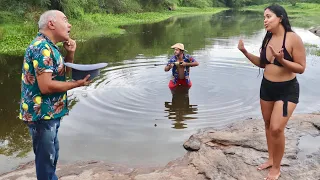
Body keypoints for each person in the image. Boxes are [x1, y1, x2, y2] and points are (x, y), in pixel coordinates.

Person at [19, 10, 91, 180]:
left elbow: (61, 75)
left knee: (51, 155)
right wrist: (76, 84)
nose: (69, 25)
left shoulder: (50, 47)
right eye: (65, 20)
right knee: (46, 160)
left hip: (49, 113)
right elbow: (46, 86)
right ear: (51, 24)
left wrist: (70, 54)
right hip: (41, 114)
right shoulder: (41, 47)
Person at [238, 4, 306, 180]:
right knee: (268, 125)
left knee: (276, 128)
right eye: (264, 17)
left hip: (287, 90)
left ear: (280, 18)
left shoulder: (293, 39)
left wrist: (282, 60)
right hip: (267, 87)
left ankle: (277, 167)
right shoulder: (268, 38)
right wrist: (245, 52)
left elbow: (301, 68)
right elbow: (263, 64)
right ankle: (270, 159)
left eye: (268, 16)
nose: (265, 20)